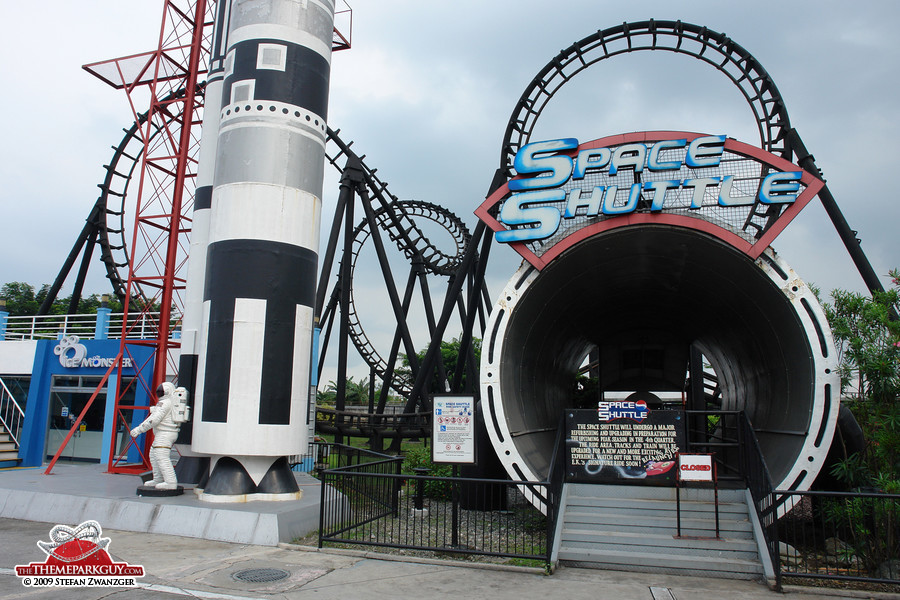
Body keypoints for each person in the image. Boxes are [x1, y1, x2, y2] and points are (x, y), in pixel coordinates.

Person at [130, 381, 181, 489]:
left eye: (161, 391)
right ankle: (158, 479)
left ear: (166, 392)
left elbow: (154, 420)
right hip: (164, 433)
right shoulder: (168, 402)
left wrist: (139, 429)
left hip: (165, 434)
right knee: (153, 454)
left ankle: (170, 482)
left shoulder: (165, 403)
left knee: (162, 457)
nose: (159, 393)